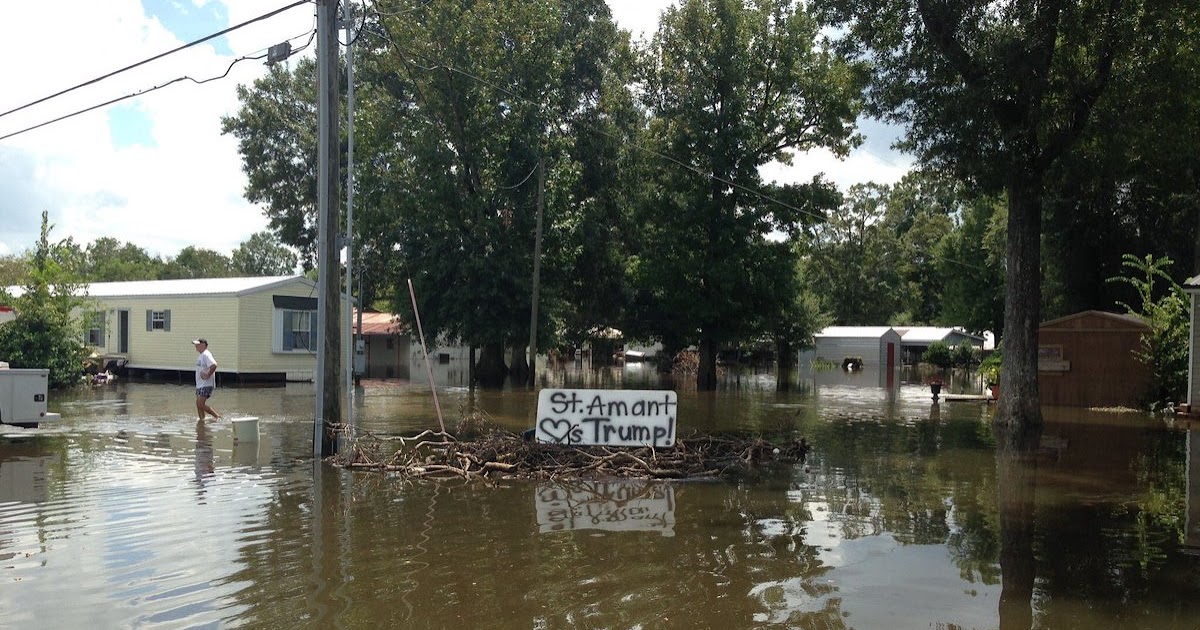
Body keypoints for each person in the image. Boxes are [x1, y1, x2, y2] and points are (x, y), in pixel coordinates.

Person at [193, 338, 220, 421]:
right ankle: (202, 421)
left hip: (206, 384)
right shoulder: (201, 355)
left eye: (197, 344)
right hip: (200, 384)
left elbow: (214, 365)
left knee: (200, 404)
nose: (196, 346)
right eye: (195, 344)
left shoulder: (206, 354)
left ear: (203, 345)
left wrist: (208, 374)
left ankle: (217, 417)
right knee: (198, 404)